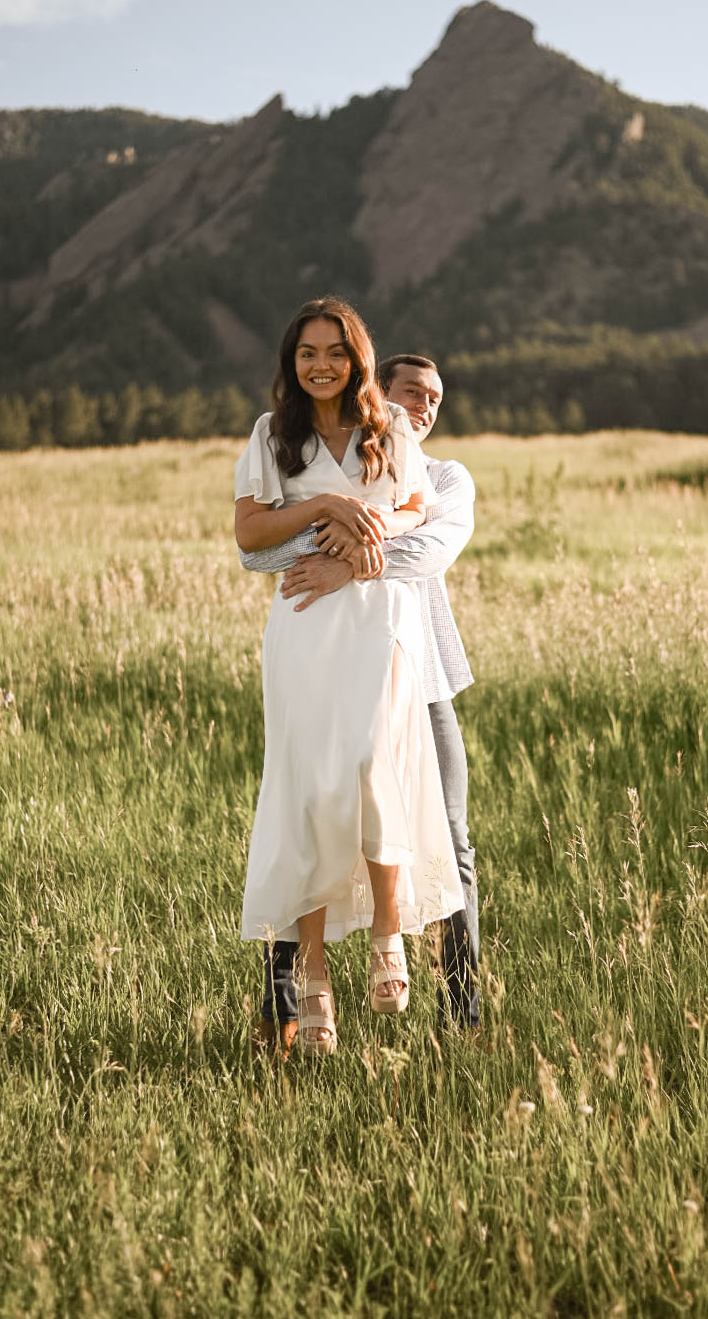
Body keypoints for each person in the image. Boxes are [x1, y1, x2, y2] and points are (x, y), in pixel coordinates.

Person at [234, 299, 464, 1055]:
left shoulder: (387, 430)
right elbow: (248, 533)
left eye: (335, 351)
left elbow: (414, 509)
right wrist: (328, 503)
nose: (321, 364)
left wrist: (367, 532)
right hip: (301, 628)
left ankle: (388, 935)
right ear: (291, 360)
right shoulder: (273, 436)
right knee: (309, 795)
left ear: (357, 357)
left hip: (377, 623)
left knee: (371, 768)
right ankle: (314, 979)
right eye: (308, 353)